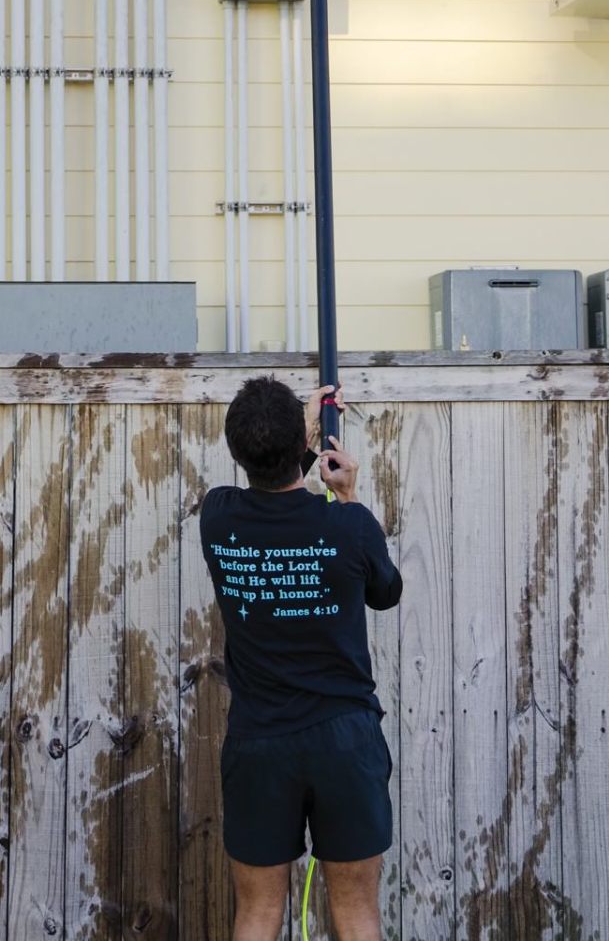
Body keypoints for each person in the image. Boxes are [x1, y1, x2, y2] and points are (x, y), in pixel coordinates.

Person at [200, 377, 403, 941]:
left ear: (235, 451)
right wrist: (346, 492)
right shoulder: (348, 525)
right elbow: (386, 591)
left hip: (260, 742)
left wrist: (299, 442)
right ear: (303, 444)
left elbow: (270, 476)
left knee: (259, 913)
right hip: (345, 741)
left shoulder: (217, 519)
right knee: (357, 911)